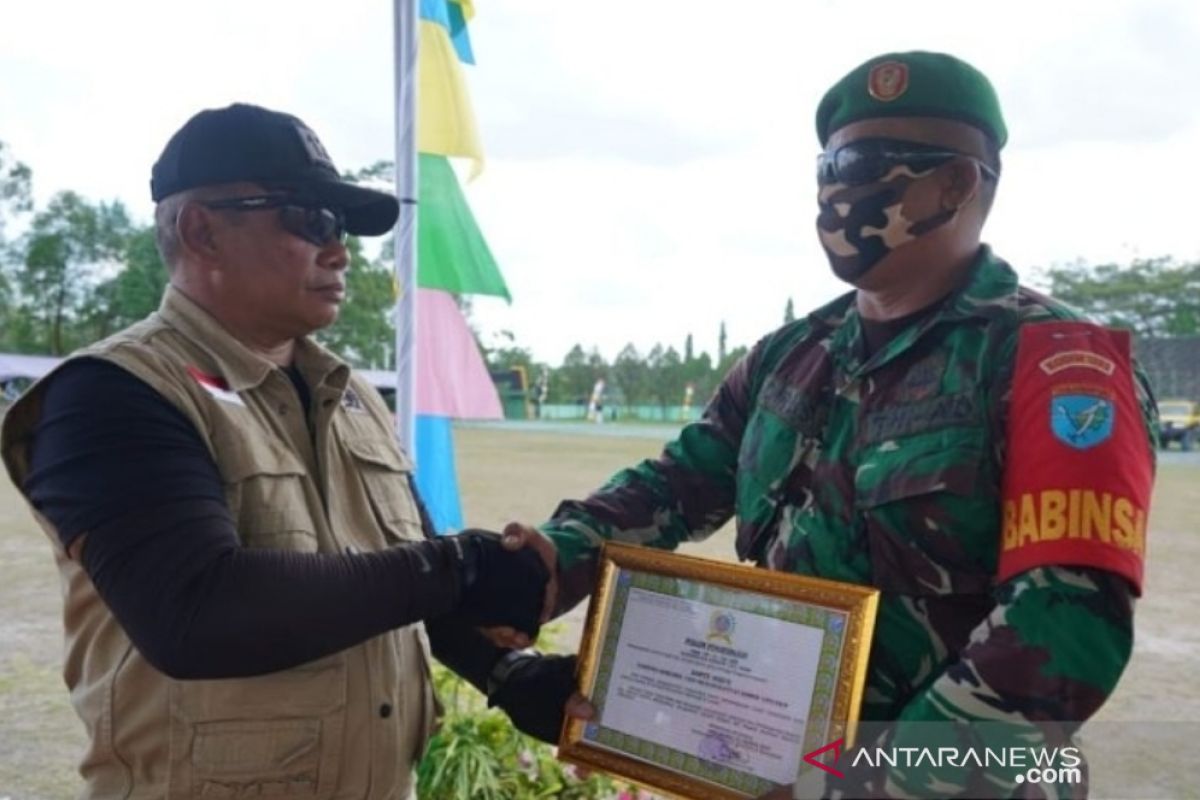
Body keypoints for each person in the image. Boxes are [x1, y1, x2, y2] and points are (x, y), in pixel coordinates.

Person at [503, 52, 1158, 798]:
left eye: (866, 163)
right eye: (829, 166)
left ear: (957, 183)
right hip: (779, 765)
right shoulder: (791, 356)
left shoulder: (1056, 364)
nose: (837, 191)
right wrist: (553, 561)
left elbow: (1066, 623)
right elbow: (679, 483)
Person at [0, 103, 567, 798]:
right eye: (311, 220)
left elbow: (406, 586)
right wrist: (459, 565)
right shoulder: (112, 394)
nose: (340, 250)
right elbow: (195, 611)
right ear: (201, 230)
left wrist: (506, 674)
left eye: (342, 227)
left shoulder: (350, 395)